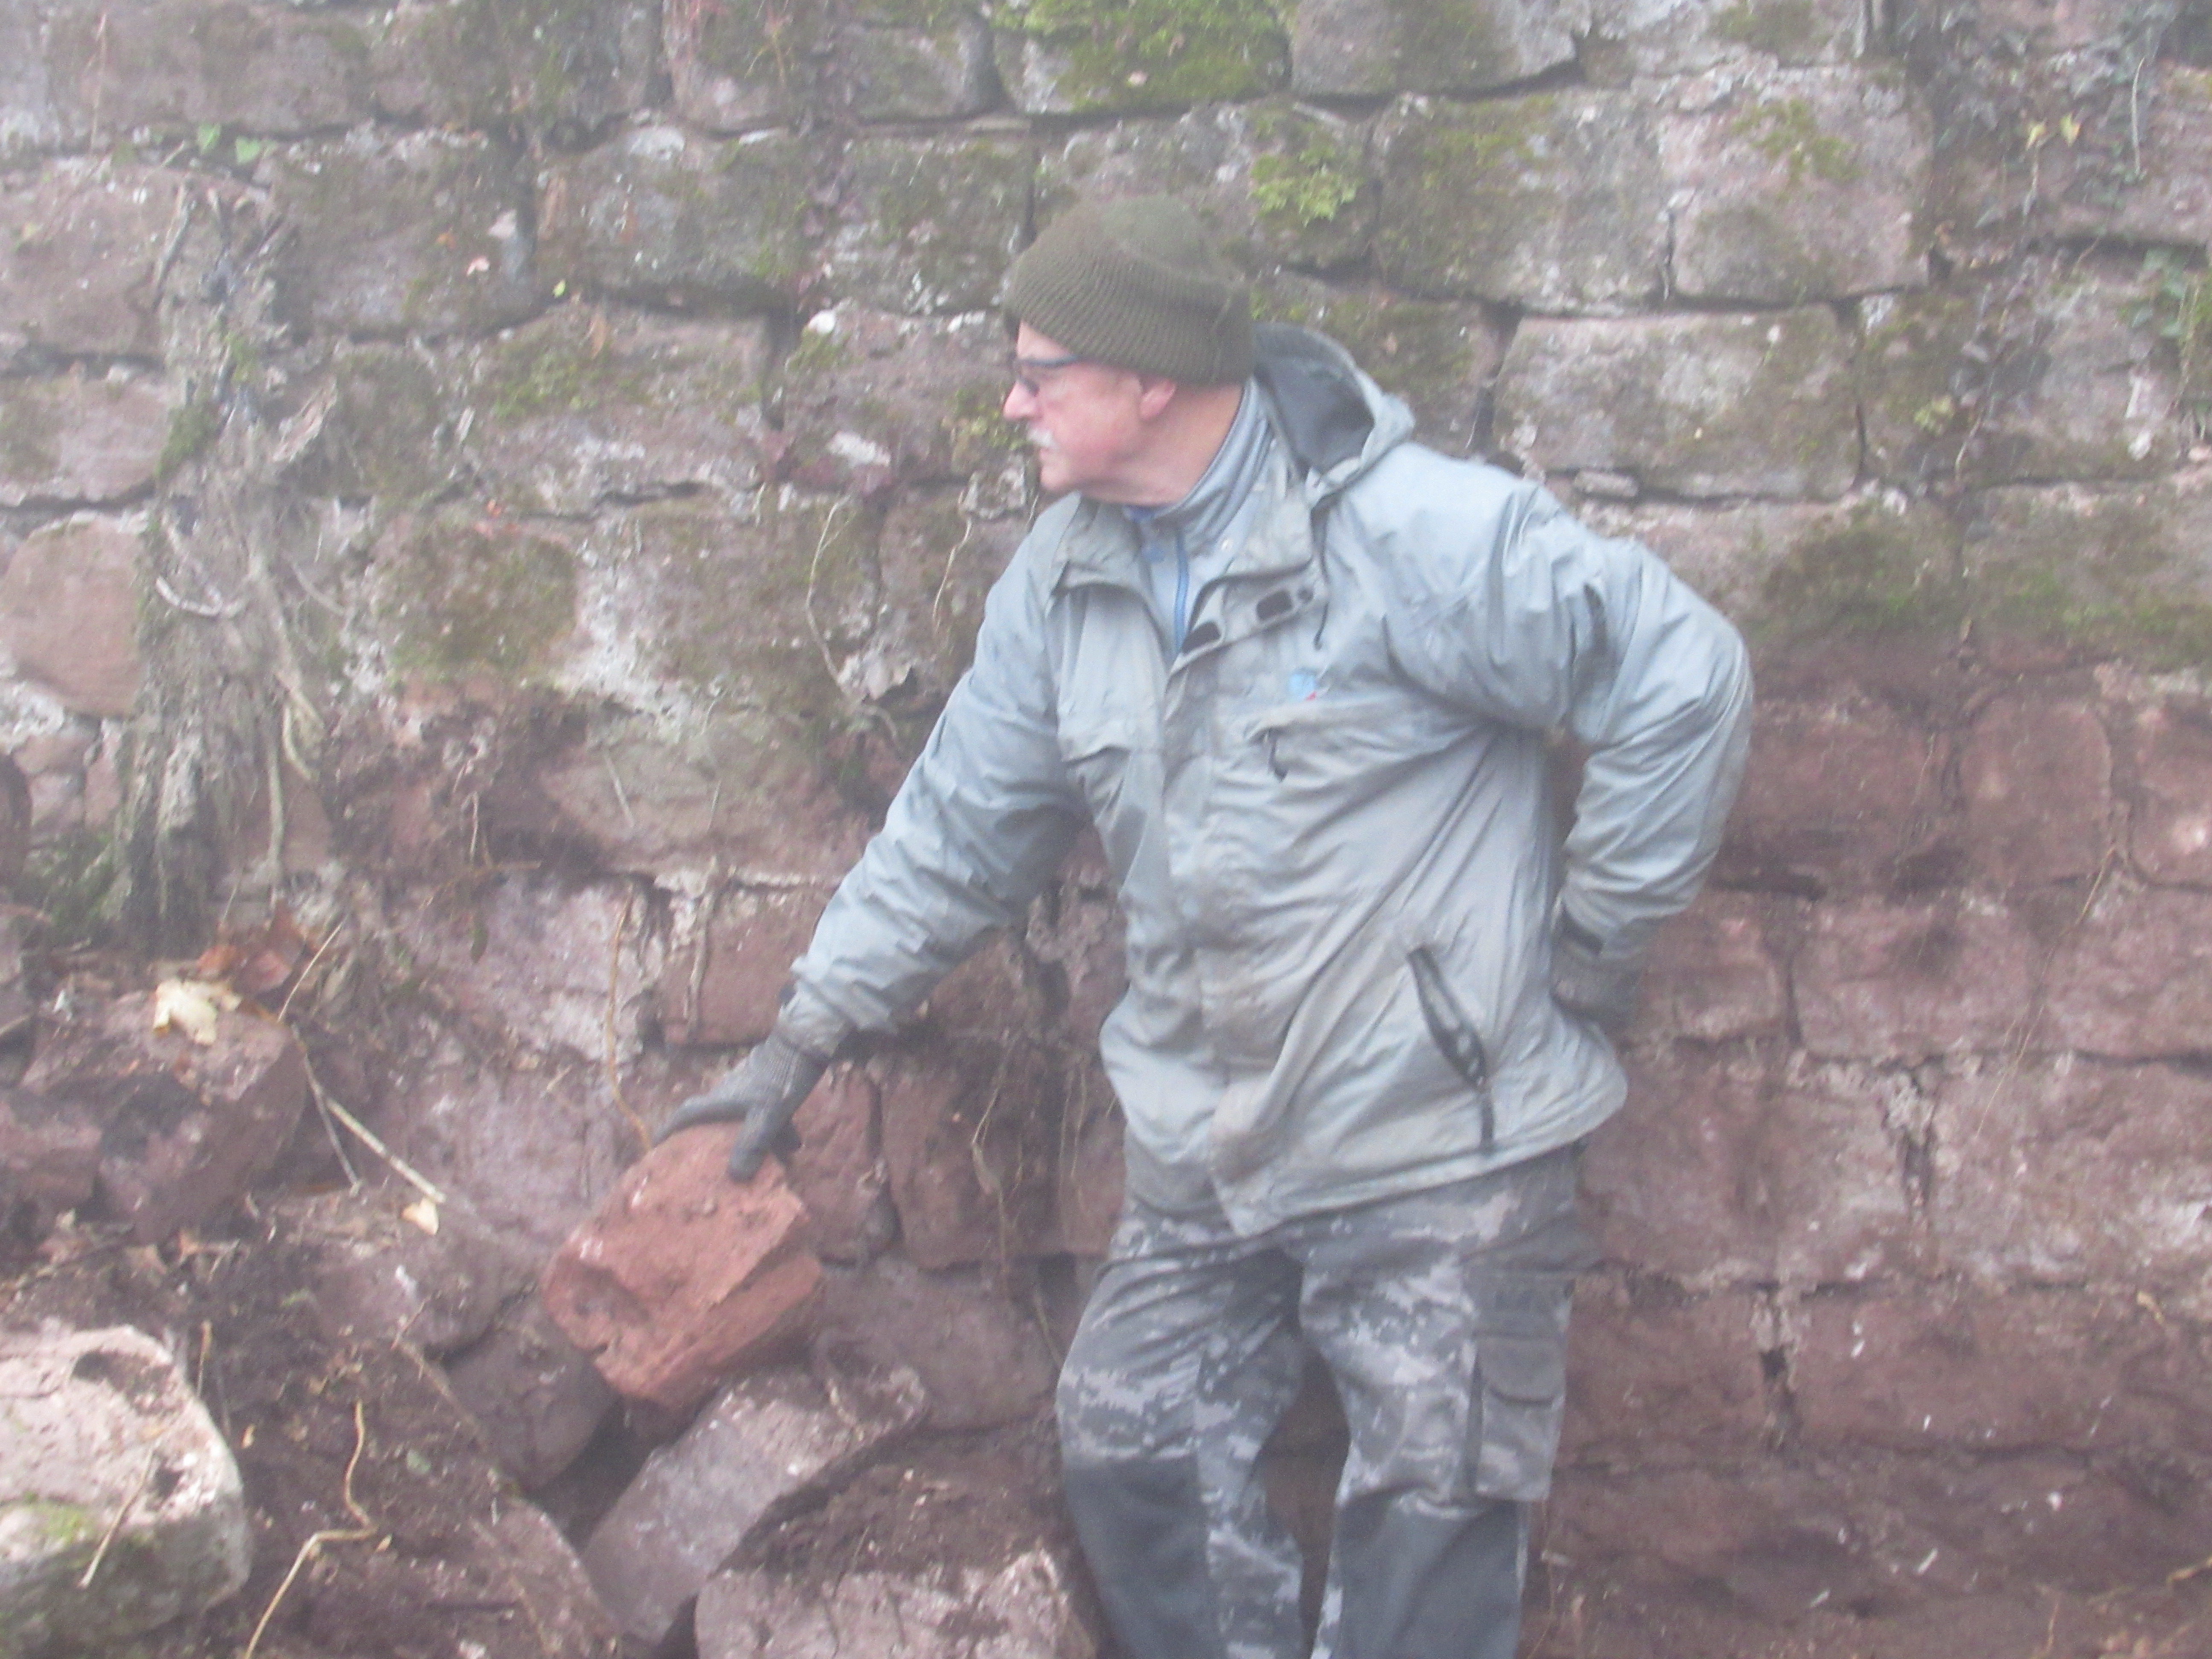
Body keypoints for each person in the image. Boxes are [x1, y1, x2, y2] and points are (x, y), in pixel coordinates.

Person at [661, 196, 1753, 1659]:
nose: (1012, 404)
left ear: (1151, 381)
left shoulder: (1412, 535)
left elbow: (1683, 676)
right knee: (1130, 1445)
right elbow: (961, 826)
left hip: (1437, 1140)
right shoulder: (1067, 579)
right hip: (1209, 1148)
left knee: (1433, 1505)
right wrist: (805, 1034)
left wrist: (1599, 944)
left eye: (1040, 374)